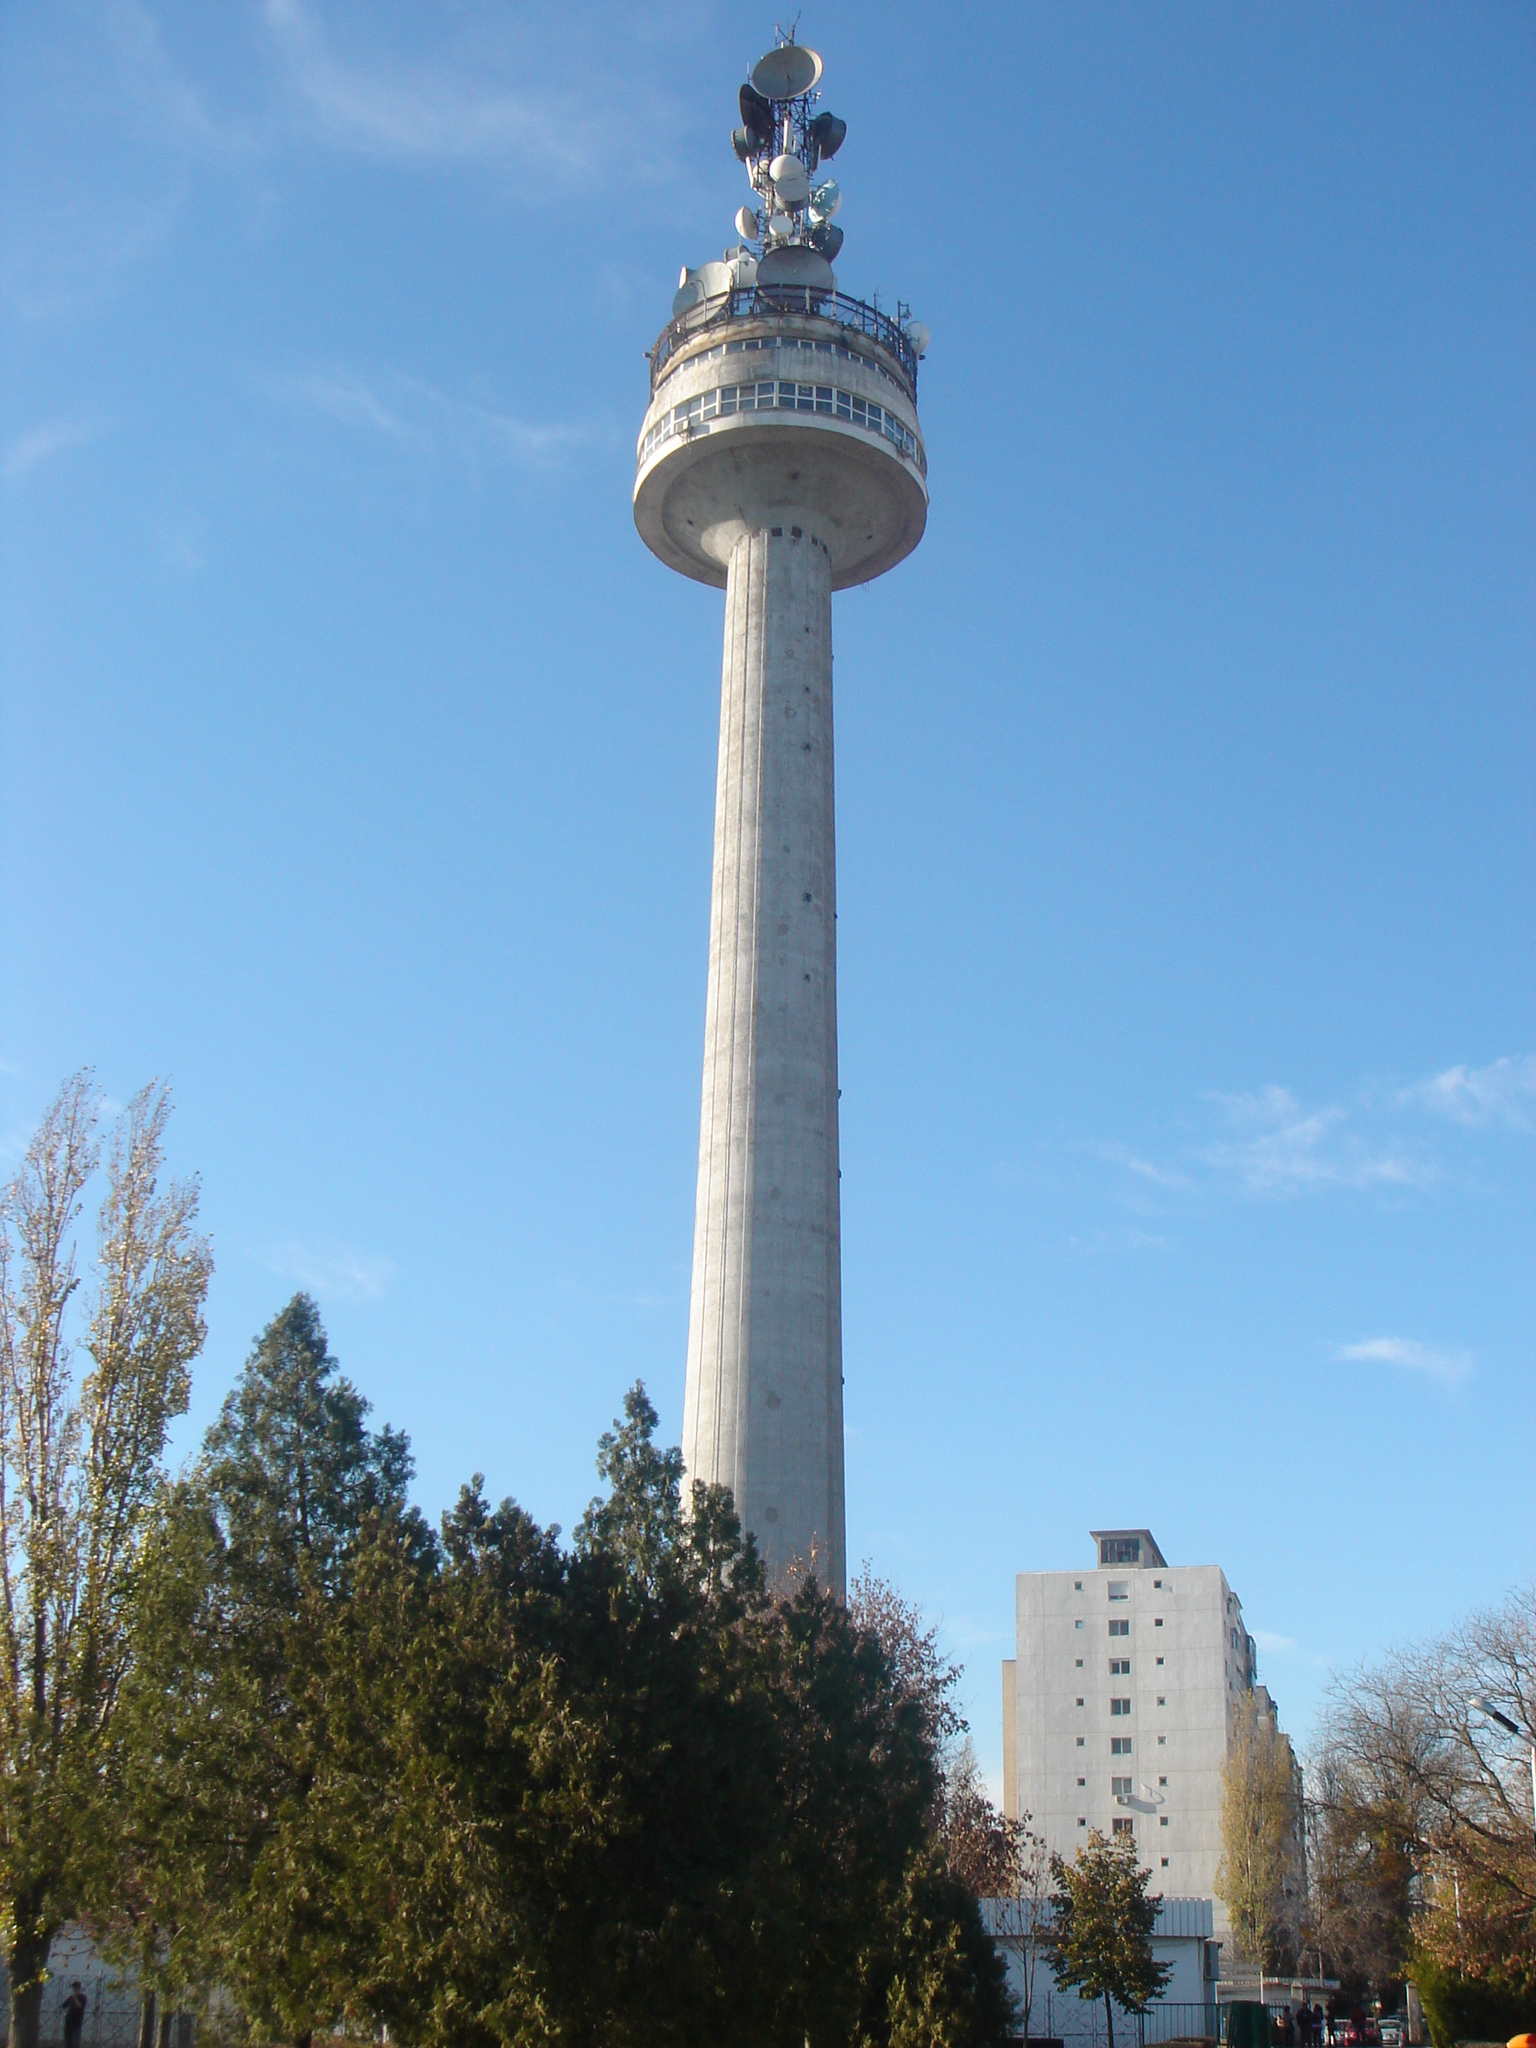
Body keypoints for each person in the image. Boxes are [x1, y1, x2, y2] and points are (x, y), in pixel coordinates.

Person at [61, 1982, 88, 2048]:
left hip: (76, 2022)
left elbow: (80, 2006)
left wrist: (75, 1998)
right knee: (68, 2040)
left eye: (76, 1988)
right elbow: (64, 2005)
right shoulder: (71, 1998)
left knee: (75, 2040)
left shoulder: (82, 1997)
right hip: (69, 2022)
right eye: (73, 1988)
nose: (74, 1990)